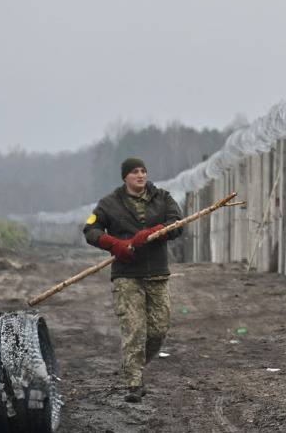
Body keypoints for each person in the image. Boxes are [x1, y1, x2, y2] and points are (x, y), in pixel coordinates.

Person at [83, 157, 186, 403]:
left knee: (158, 330)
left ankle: (135, 364)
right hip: (127, 275)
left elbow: (178, 224)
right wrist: (113, 244)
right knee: (134, 329)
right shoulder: (109, 204)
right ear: (125, 177)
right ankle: (134, 382)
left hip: (157, 273)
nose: (140, 175)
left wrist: (154, 232)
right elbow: (90, 230)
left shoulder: (162, 198)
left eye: (143, 171)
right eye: (134, 172)